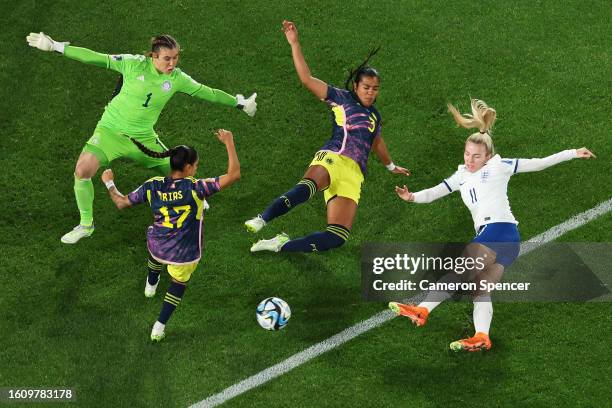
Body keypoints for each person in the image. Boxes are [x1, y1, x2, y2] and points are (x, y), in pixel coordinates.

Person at [389, 99, 596, 352]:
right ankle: (481, 337)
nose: (470, 159)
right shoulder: (462, 176)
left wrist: (572, 153)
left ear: (488, 156)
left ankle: (422, 310)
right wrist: (412, 197)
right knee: (480, 289)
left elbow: (538, 162)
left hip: (498, 231)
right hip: (508, 241)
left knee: (459, 269)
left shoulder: (499, 166)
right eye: (467, 154)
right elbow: (435, 192)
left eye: (476, 156)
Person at [26, 32, 256, 244]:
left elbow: (208, 92)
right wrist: (56, 46)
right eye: (167, 58)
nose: (172, 64)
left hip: (143, 139)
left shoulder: (177, 78)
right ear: (153, 56)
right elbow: (95, 58)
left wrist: (239, 102)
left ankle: (194, 194)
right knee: (82, 170)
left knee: (177, 169)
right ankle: (86, 225)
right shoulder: (133, 64)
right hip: (110, 132)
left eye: (176, 58)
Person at [246, 20, 409, 253]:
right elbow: (307, 79)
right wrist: (294, 43)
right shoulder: (341, 98)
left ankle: (280, 245)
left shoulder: (375, 115)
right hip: (334, 156)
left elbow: (376, 141)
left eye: (375, 88)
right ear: (356, 86)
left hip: (354, 175)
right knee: (307, 188)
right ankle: (262, 219)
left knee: (337, 236)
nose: (371, 92)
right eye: (366, 87)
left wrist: (391, 166)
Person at [101, 129, 240, 341]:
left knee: (155, 253)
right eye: (196, 165)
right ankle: (159, 326)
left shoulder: (153, 186)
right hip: (184, 254)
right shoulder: (196, 188)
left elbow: (121, 202)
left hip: (157, 244)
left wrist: (109, 183)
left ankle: (151, 284)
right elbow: (234, 175)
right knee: (178, 284)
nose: (197, 167)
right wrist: (229, 143)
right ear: (187, 167)